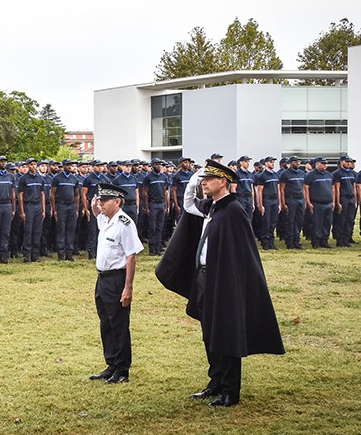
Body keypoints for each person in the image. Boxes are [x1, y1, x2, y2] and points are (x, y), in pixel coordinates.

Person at [156, 160, 285, 407]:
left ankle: (230, 391)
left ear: (223, 181)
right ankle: (215, 383)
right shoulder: (212, 207)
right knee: (210, 334)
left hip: (225, 281)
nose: (204, 182)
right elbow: (188, 203)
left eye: (208, 179)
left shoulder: (234, 211)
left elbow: (240, 255)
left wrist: (230, 283)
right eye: (203, 179)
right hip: (206, 278)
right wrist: (195, 177)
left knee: (227, 334)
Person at [88, 183, 143, 384]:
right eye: (100, 200)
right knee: (106, 323)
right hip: (102, 278)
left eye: (105, 201)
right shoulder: (106, 219)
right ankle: (111, 364)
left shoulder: (124, 223)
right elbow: (96, 212)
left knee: (119, 325)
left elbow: (131, 257)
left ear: (117, 202)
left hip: (117, 279)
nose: (100, 204)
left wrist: (128, 287)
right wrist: (95, 203)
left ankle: (122, 370)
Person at [18, 158, 46, 262]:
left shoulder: (40, 178)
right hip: (28, 206)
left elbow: (42, 194)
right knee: (28, 231)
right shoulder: (24, 179)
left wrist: (43, 210)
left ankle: (35, 255)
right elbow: (20, 195)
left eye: (35, 164)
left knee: (37, 231)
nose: (33, 166)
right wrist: (22, 211)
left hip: (38, 206)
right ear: (28, 166)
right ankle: (27, 255)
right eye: (31, 164)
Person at [304, 157, 335, 248]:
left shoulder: (329, 175)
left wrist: (333, 201)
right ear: (317, 164)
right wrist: (308, 202)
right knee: (317, 223)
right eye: (323, 163)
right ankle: (316, 242)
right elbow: (306, 189)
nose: (325, 165)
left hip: (328, 203)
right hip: (317, 203)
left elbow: (332, 189)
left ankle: (324, 241)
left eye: (326, 163)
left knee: (327, 223)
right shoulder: (311, 175)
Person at [142, 158, 170, 256]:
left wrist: (167, 205)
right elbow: (145, 193)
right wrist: (147, 207)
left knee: (160, 227)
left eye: (160, 164)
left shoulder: (164, 177)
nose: (159, 166)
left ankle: (159, 247)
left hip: (162, 203)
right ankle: (152, 249)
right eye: (157, 164)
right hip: (152, 204)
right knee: (152, 228)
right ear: (153, 165)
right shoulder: (148, 177)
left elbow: (166, 192)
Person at [278, 156, 306, 249]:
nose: (298, 163)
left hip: (300, 199)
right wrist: (283, 203)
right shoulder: (285, 174)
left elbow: (303, 188)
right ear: (290, 163)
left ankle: (296, 240)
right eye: (295, 162)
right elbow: (282, 189)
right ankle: (289, 241)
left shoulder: (302, 173)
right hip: (290, 199)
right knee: (290, 221)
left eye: (299, 161)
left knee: (299, 221)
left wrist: (304, 200)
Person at [255, 157, 281, 250]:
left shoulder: (276, 175)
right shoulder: (262, 176)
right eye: (270, 162)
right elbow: (260, 191)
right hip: (267, 200)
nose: (273, 163)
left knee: (273, 222)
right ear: (266, 163)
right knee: (266, 222)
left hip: (275, 200)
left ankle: (271, 242)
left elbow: (278, 189)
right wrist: (260, 205)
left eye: (273, 162)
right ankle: (265, 242)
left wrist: (279, 203)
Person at [332, 156, 358, 247]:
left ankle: (346, 240)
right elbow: (337, 188)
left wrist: (355, 199)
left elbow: (354, 187)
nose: (348, 163)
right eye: (346, 161)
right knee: (341, 219)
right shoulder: (337, 173)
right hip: (343, 197)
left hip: (351, 198)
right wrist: (338, 202)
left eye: (349, 162)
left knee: (350, 220)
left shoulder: (352, 173)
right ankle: (340, 240)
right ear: (342, 162)